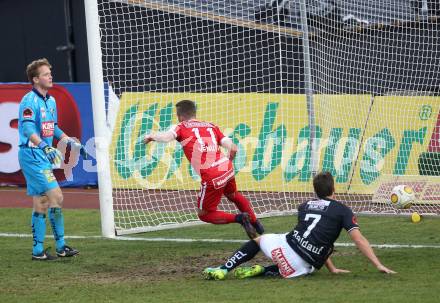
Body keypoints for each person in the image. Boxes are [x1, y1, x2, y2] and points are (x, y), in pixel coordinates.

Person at [203, 171, 396, 280]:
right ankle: (264, 270)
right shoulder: (342, 210)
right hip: (300, 267)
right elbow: (356, 239)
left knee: (258, 240)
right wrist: (378, 265)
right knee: (307, 264)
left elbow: (311, 235)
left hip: (285, 245)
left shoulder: (304, 206)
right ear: (333, 189)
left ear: (315, 190)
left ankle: (224, 269)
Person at [143, 100, 264, 238]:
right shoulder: (211, 126)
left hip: (211, 175)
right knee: (233, 195)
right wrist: (227, 163)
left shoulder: (181, 127)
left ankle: (239, 218)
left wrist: (151, 136)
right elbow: (234, 148)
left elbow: (166, 138)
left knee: (205, 214)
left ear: (180, 116)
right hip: (227, 168)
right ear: (194, 112)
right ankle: (256, 223)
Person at [18, 58, 88, 260]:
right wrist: (44, 145)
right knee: (57, 196)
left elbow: (53, 127)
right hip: (32, 154)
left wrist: (70, 142)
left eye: (50, 73)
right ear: (35, 79)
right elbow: (28, 128)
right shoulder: (28, 101)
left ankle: (38, 252)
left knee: (41, 201)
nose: (51, 76)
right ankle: (61, 246)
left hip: (42, 154)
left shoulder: (51, 100)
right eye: (46, 74)